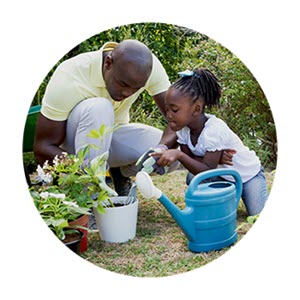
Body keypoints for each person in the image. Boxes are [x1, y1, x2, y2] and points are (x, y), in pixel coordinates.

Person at [33, 39, 232, 197]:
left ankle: (120, 174)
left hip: (112, 139)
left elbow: (177, 120)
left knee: (169, 153)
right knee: (99, 107)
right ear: (108, 63)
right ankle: (91, 195)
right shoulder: (70, 75)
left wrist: (175, 148)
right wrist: (79, 174)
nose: (128, 93)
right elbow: (43, 147)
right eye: (123, 84)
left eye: (136, 88)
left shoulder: (148, 67)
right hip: (75, 148)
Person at [149, 68, 268, 216]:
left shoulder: (214, 130)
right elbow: (192, 162)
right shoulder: (184, 130)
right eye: (167, 109)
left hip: (248, 176)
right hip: (224, 176)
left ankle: (243, 194)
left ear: (196, 109)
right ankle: (229, 196)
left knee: (258, 214)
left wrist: (178, 154)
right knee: (193, 178)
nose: (168, 115)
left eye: (174, 110)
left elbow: (206, 169)